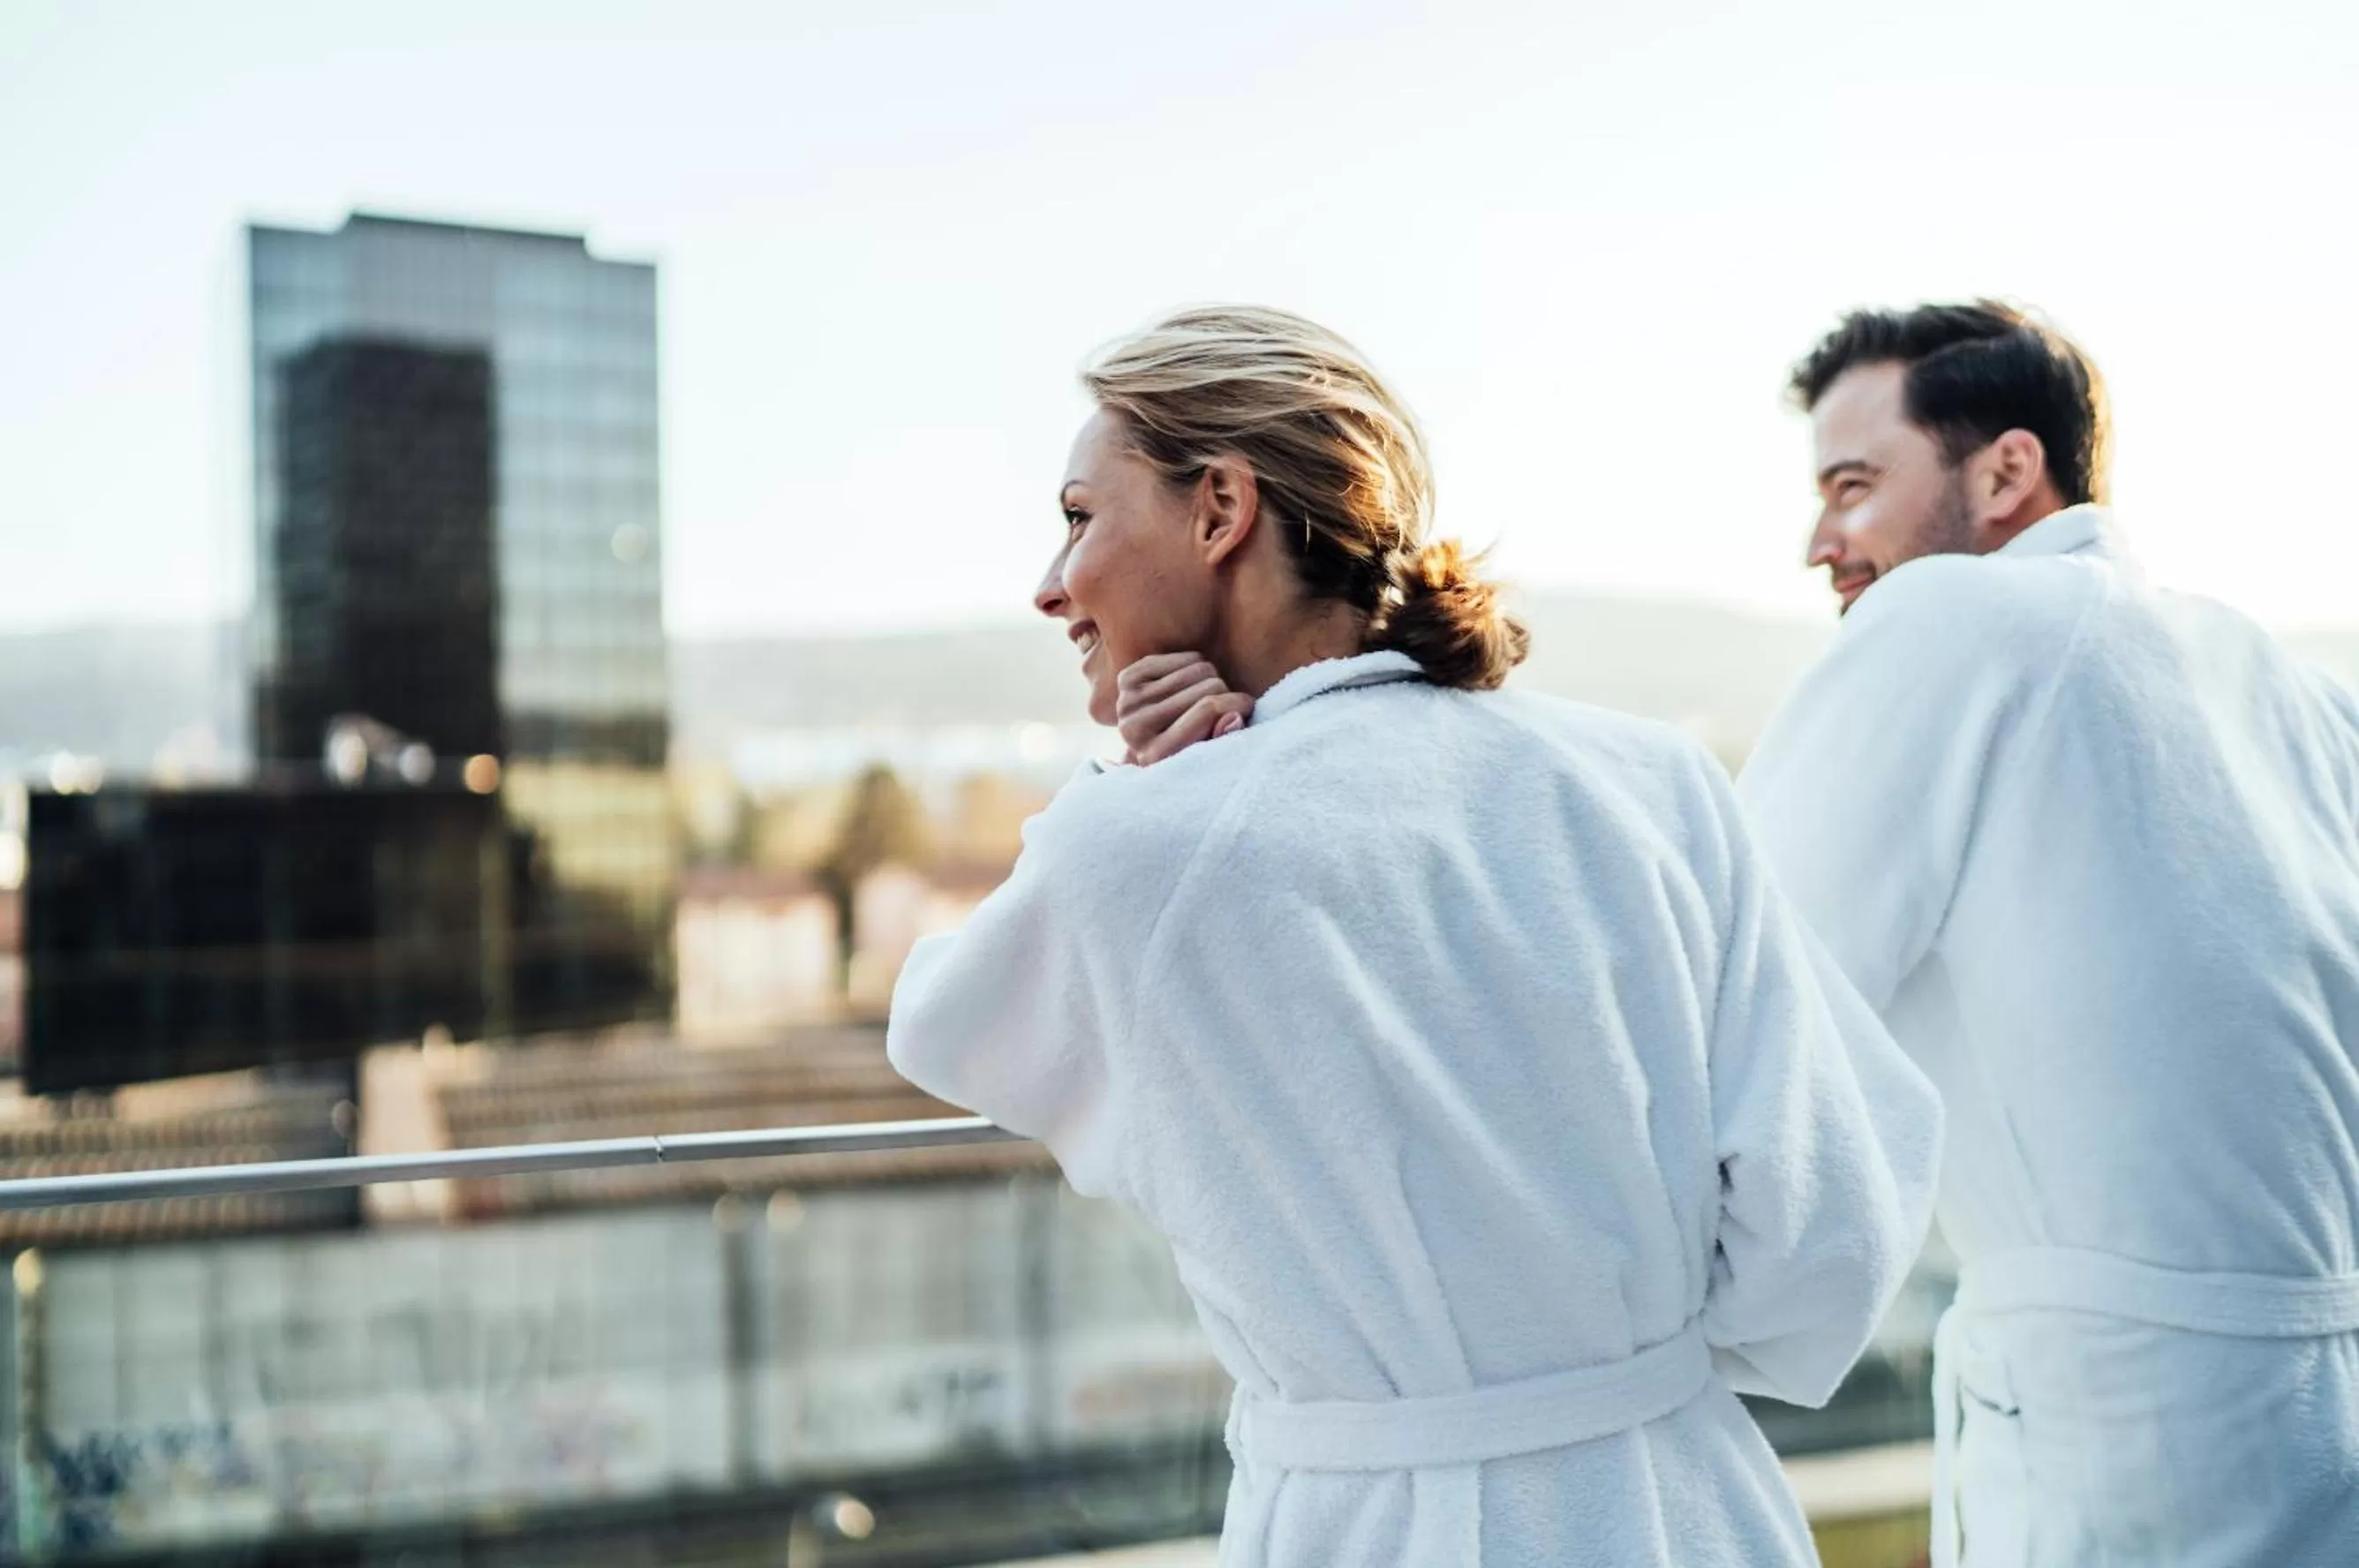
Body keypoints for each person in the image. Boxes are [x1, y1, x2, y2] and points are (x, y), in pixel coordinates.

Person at [887, 305, 1941, 1566]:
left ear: (1221, 510)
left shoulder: (1148, 844)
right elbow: (1832, 1229)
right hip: (1687, 1502)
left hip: (1383, 1528)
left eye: (1077, 516)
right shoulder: (1649, 777)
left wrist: (1131, 783)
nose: (1052, 582)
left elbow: (946, 1029)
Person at [1736, 301, 2359, 1566]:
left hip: (2118, 1442)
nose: (1820, 542)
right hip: (2328, 1410)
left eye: (1853, 486)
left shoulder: (1949, 620)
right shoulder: (2297, 689)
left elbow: (1730, 997)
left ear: (2008, 470)